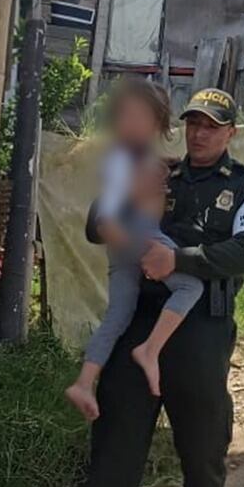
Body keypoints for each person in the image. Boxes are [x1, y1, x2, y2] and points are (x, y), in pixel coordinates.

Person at [35, 88, 244, 487]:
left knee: (202, 451)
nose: (200, 133)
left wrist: (182, 258)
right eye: (193, 123)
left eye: (212, 126)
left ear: (230, 133)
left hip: (200, 333)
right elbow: (97, 222)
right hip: (141, 323)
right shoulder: (158, 173)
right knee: (113, 457)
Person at [65, 79, 204, 422]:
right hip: (139, 236)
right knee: (192, 284)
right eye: (127, 116)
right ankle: (150, 349)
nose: (132, 124)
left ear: (157, 124)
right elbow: (107, 211)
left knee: (118, 315)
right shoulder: (121, 160)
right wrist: (125, 237)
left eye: (140, 117)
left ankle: (84, 382)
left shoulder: (138, 156)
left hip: (123, 250)